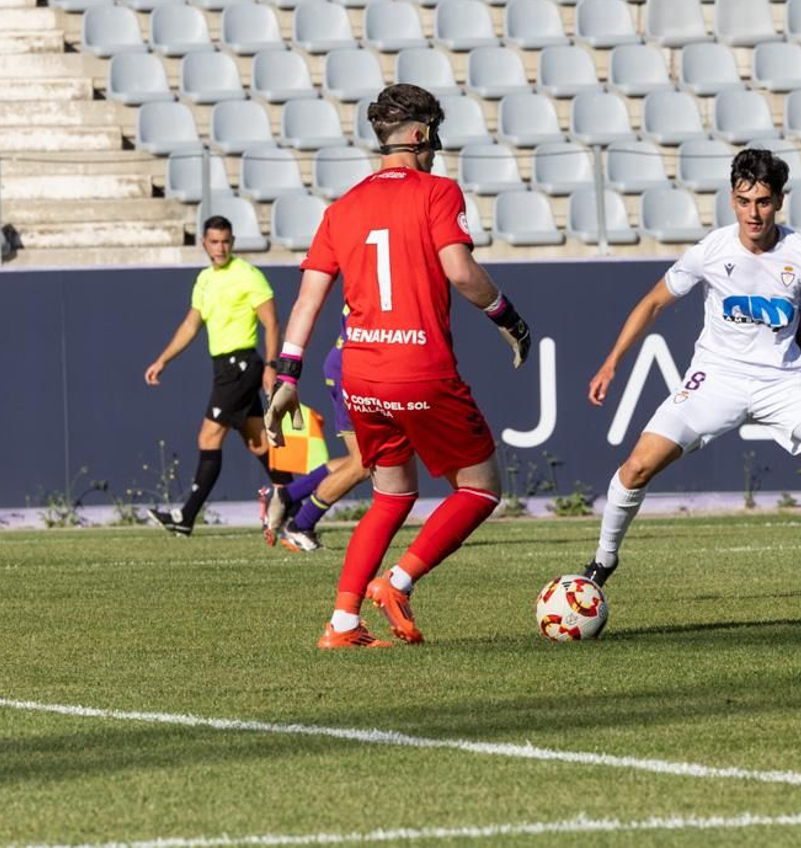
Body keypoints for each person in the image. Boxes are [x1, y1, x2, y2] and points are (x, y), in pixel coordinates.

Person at [576, 149, 801, 599]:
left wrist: (800, 381)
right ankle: (602, 561)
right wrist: (611, 361)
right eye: (743, 200)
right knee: (637, 467)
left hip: (784, 383)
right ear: (732, 199)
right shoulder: (711, 252)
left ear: (778, 201)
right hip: (715, 379)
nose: (753, 213)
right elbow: (654, 302)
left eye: (763, 201)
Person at [265, 83, 533, 648]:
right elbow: (461, 272)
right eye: (434, 134)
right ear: (419, 135)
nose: (436, 146)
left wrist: (288, 377)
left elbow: (309, 300)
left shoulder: (342, 207)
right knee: (481, 488)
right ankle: (398, 581)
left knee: (391, 493)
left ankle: (341, 624)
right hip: (419, 366)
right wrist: (510, 319)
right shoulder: (437, 191)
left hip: (359, 370)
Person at [143, 215, 284, 536]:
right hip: (223, 367)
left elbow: (272, 323)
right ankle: (294, 502)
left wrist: (272, 366)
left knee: (208, 436)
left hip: (242, 366)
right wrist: (163, 360)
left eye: (225, 241)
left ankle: (186, 517)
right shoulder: (205, 279)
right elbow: (191, 325)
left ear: (232, 242)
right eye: (214, 242)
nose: (220, 248)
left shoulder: (248, 275)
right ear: (204, 243)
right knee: (259, 442)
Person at [263, 308, 373, 553]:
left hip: (351, 365)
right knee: (366, 463)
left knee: (365, 459)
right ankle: (301, 524)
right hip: (354, 369)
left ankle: (289, 495)